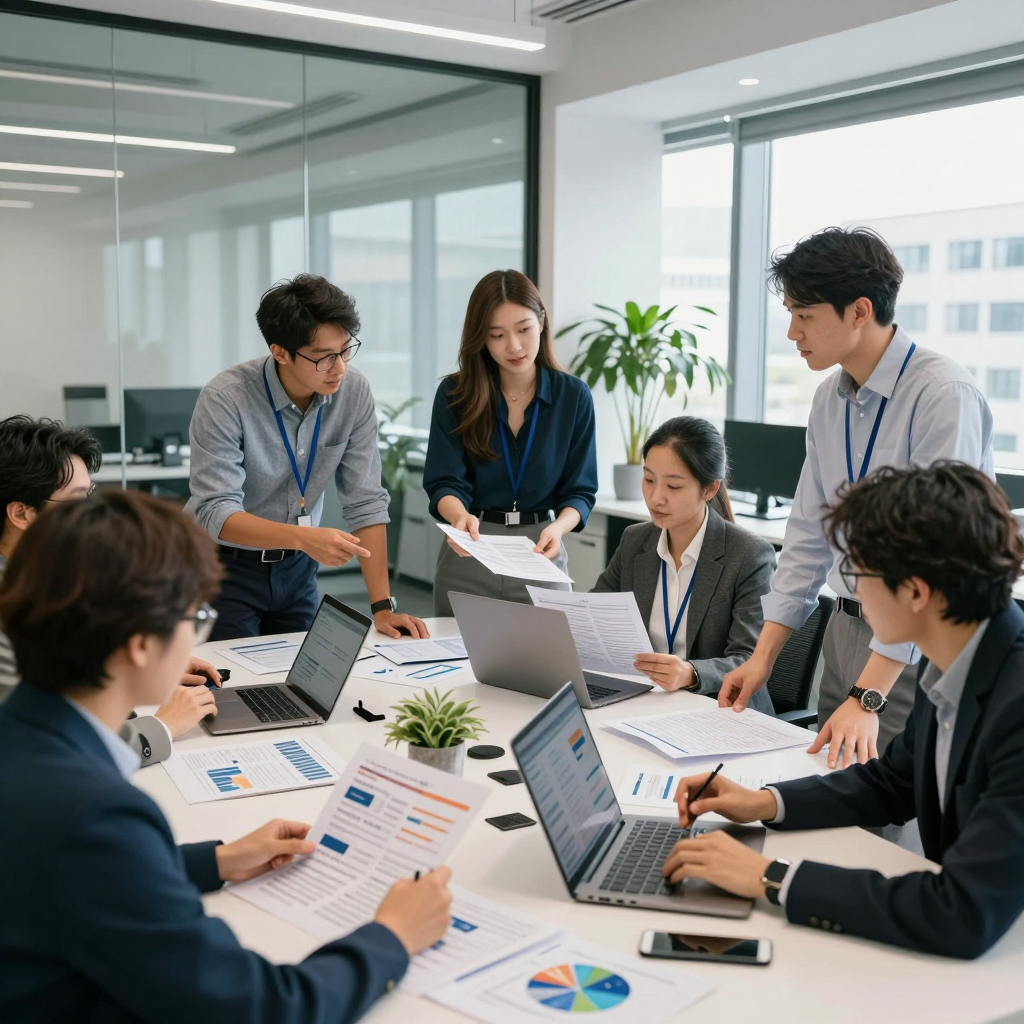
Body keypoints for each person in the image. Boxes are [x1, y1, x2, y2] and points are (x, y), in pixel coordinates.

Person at [0, 489, 454, 1021]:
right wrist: (392, 936)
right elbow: (259, 1008)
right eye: (194, 614)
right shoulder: (96, 816)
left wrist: (216, 860)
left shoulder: (23, 737)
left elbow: (76, 879)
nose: (198, 631)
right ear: (141, 643)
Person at [663, 462, 1024, 959]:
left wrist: (770, 877)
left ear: (916, 591)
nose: (847, 591)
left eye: (856, 572)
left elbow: (962, 912)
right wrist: (762, 803)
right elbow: (892, 784)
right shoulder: (959, 656)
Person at [719, 228, 993, 768]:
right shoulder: (829, 398)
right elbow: (806, 539)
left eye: (804, 314)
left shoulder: (942, 395)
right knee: (831, 793)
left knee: (891, 822)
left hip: (919, 637)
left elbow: (932, 559)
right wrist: (763, 658)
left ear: (860, 310)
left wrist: (868, 695)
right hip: (844, 627)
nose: (793, 332)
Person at [185, 274, 426, 641]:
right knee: (231, 690)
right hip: (224, 568)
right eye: (323, 358)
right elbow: (215, 511)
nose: (340, 367)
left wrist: (382, 608)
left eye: (345, 350)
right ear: (279, 351)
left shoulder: (353, 391)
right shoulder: (226, 398)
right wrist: (302, 538)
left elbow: (366, 500)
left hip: (297, 571)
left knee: (303, 686)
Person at [0, 414, 218, 764]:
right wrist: (160, 728)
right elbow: (42, 736)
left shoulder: (43, 571)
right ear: (21, 514)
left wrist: (148, 660)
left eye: (90, 496)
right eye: (75, 501)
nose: (89, 515)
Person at [424, 270, 597, 616]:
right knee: (457, 663)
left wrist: (558, 528)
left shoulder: (573, 396)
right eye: (497, 335)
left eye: (523, 329)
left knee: (546, 664)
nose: (514, 346)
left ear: (542, 321)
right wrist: (459, 518)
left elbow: (581, 490)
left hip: (539, 549)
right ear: (481, 339)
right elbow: (444, 480)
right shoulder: (454, 395)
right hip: (472, 547)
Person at [592, 417, 776, 713]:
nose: (655, 497)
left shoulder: (748, 554)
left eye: (674, 486)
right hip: (643, 704)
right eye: (649, 480)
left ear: (709, 489)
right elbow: (597, 614)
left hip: (719, 709)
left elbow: (749, 658)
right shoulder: (635, 540)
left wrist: (690, 673)